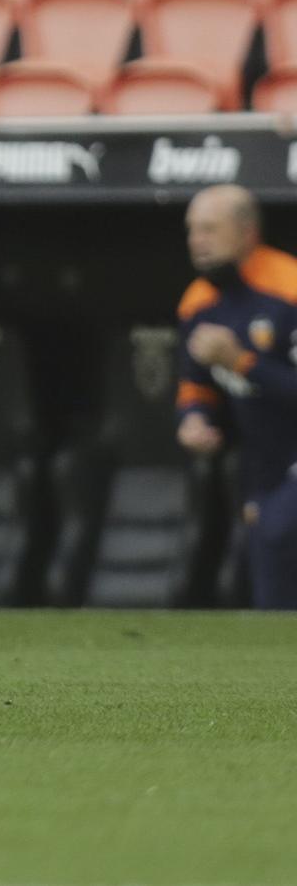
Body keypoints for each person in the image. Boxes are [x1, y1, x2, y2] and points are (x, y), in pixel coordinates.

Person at [174, 184, 297, 610]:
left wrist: (242, 361)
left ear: (247, 233)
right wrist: (193, 420)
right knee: (267, 581)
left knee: (281, 532)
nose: (196, 241)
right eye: (192, 230)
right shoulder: (198, 304)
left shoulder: (289, 290)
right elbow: (195, 386)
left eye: (209, 229)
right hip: (263, 464)